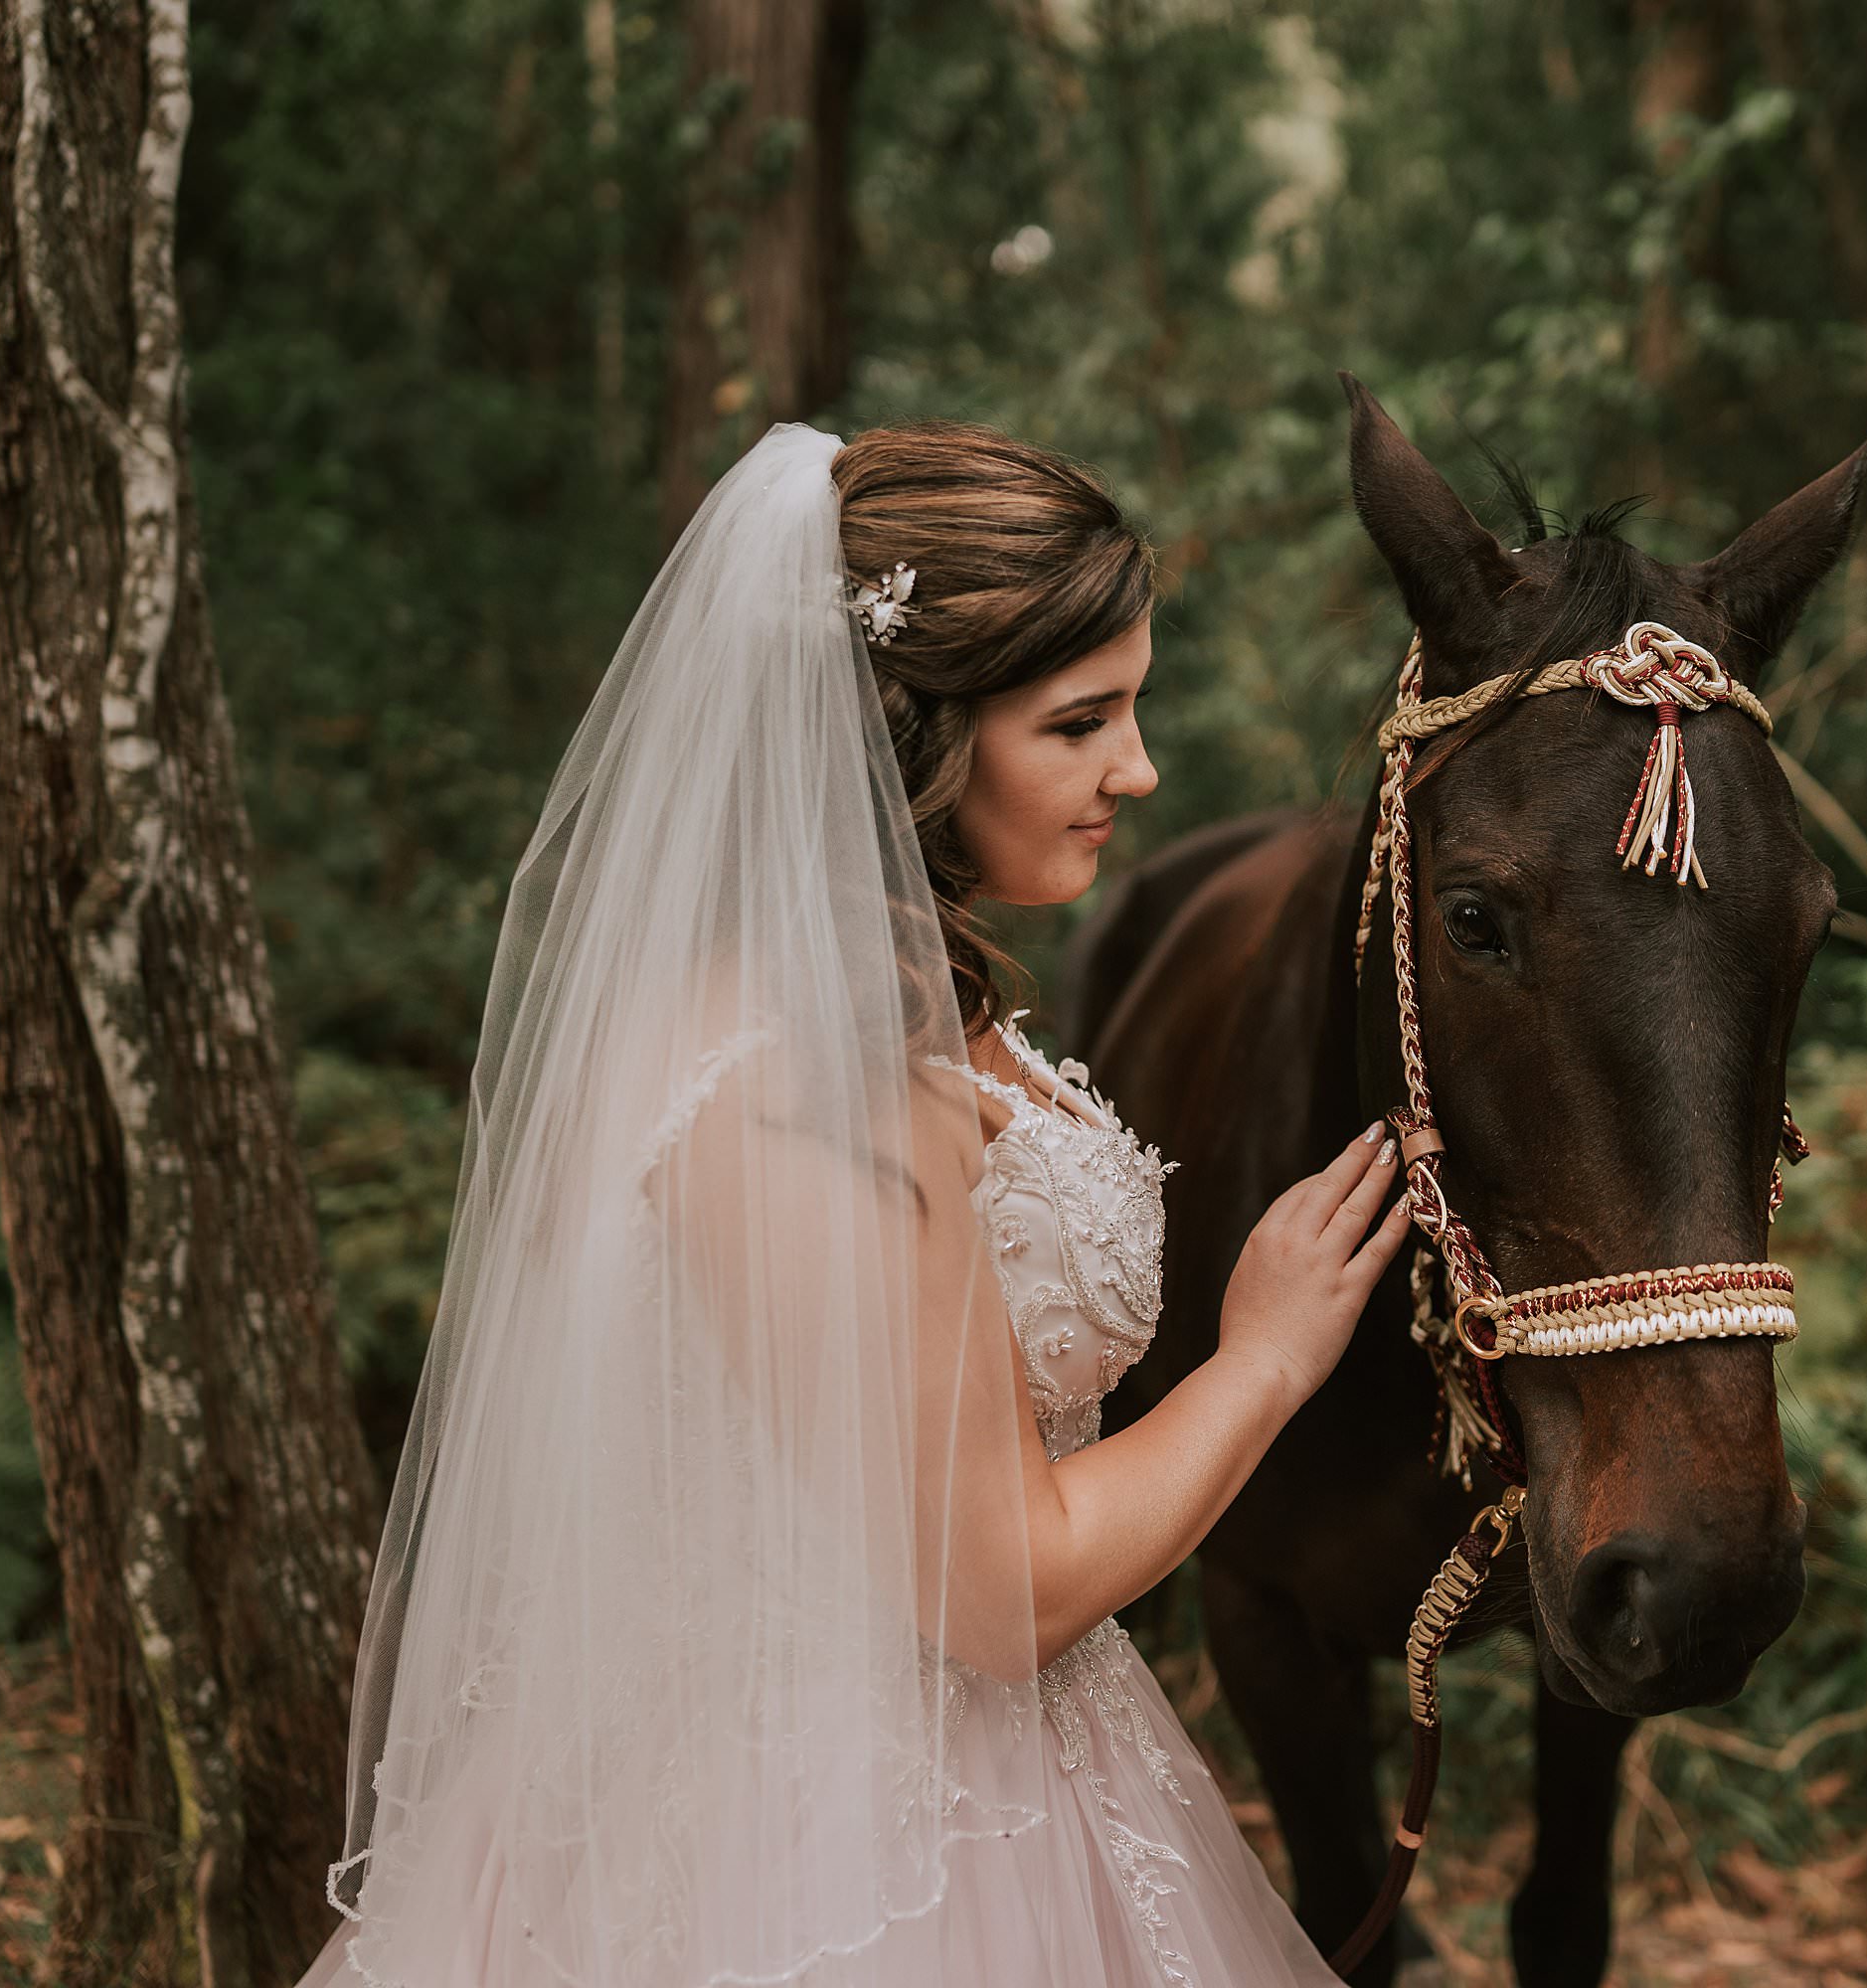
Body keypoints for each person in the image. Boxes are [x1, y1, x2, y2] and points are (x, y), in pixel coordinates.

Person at [294, 418, 1410, 1988]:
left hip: (978, 1783)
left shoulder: (852, 1008)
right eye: (1080, 722)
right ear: (916, 737)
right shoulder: (813, 1081)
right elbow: (1002, 1595)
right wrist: (1266, 1363)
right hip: (857, 1858)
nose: (1138, 770)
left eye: (1132, 710)